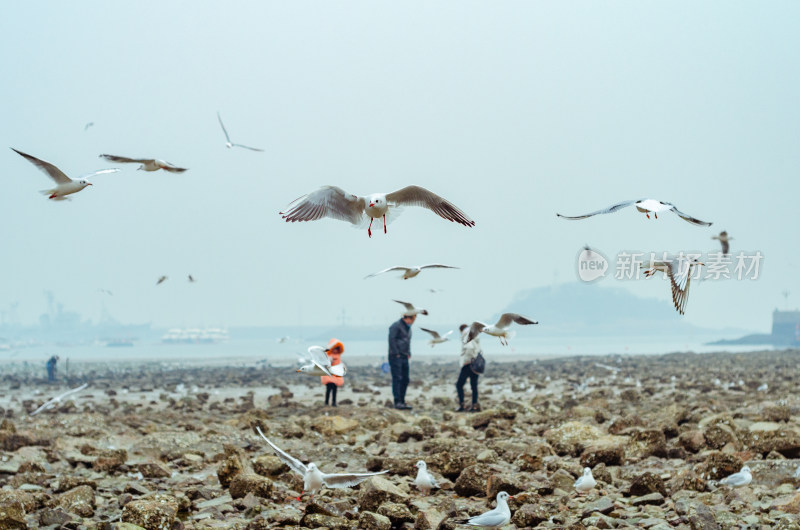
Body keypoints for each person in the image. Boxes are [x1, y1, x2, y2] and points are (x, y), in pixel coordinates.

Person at [388, 312, 416, 410]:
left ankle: (402, 400)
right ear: (407, 318)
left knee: (405, 379)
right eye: (413, 319)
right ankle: (397, 402)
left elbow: (407, 341)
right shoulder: (396, 326)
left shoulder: (408, 328)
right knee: (397, 378)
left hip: (404, 356)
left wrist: (408, 353)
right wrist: (396, 353)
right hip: (396, 356)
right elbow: (391, 339)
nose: (413, 322)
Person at [455, 324, 481, 412]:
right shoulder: (475, 334)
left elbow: (469, 348)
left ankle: (462, 405)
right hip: (476, 363)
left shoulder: (466, 334)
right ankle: (474, 406)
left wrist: (467, 360)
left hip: (468, 363)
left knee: (459, 385)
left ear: (461, 330)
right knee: (474, 386)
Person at [320, 338, 345, 407]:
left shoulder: (338, 356)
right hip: (328, 375)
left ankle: (333, 402)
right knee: (328, 389)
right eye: (334, 348)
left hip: (335, 375)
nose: (335, 350)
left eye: (337, 348)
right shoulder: (328, 355)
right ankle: (326, 402)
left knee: (334, 389)